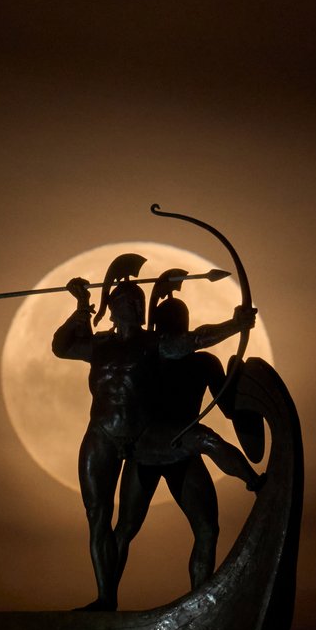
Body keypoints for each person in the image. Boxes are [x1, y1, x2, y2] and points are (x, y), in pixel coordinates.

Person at [51, 255, 256, 610]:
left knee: (198, 495)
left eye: (139, 302)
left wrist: (234, 326)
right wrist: (82, 307)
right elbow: (61, 346)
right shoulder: (100, 345)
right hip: (104, 437)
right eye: (129, 302)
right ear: (114, 308)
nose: (137, 307)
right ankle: (105, 599)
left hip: (147, 437)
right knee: (101, 518)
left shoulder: (153, 345)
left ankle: (254, 483)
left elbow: (194, 340)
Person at [113, 283, 264, 592]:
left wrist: (240, 383)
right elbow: (121, 401)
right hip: (147, 448)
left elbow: (229, 407)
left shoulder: (204, 363)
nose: (174, 330)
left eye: (178, 323)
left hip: (182, 448)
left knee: (207, 529)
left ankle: (200, 596)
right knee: (125, 528)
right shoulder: (146, 358)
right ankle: (106, 596)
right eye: (169, 324)